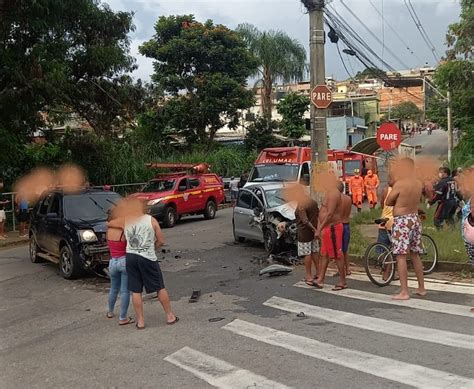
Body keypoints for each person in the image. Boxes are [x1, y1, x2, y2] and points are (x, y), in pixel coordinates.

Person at [109, 198, 178, 329]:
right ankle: (170, 316)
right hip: (147, 257)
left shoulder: (127, 220)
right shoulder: (151, 220)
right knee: (159, 287)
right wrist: (153, 247)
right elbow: (161, 240)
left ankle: (140, 322)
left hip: (131, 257)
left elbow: (110, 223)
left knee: (136, 290)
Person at [385, 158, 426, 300]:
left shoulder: (400, 184)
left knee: (401, 255)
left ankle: (404, 291)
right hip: (414, 219)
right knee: (415, 254)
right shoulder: (418, 183)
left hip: (402, 220)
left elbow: (388, 201)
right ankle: (421, 288)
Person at [314, 175, 346, 290]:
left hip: (333, 228)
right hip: (328, 228)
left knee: (337, 255)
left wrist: (319, 229)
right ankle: (320, 279)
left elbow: (330, 214)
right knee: (324, 254)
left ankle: (342, 281)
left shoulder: (333, 193)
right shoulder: (330, 192)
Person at [106, 207, 134, 325]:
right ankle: (123, 317)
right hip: (124, 261)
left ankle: (110, 312)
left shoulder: (108, 229)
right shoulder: (124, 228)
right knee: (125, 291)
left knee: (113, 288)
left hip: (112, 262)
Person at [293, 184, 320, 285]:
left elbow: (304, 220)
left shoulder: (301, 204)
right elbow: (318, 215)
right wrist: (317, 230)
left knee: (307, 254)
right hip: (313, 232)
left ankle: (308, 276)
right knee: (314, 252)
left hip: (304, 232)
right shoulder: (312, 202)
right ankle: (318, 272)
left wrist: (313, 229)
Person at [338, 182, 352, 276]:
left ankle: (341, 269)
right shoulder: (348, 199)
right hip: (346, 224)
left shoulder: (336, 199)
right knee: (345, 249)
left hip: (338, 225)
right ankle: (347, 269)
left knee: (339, 250)